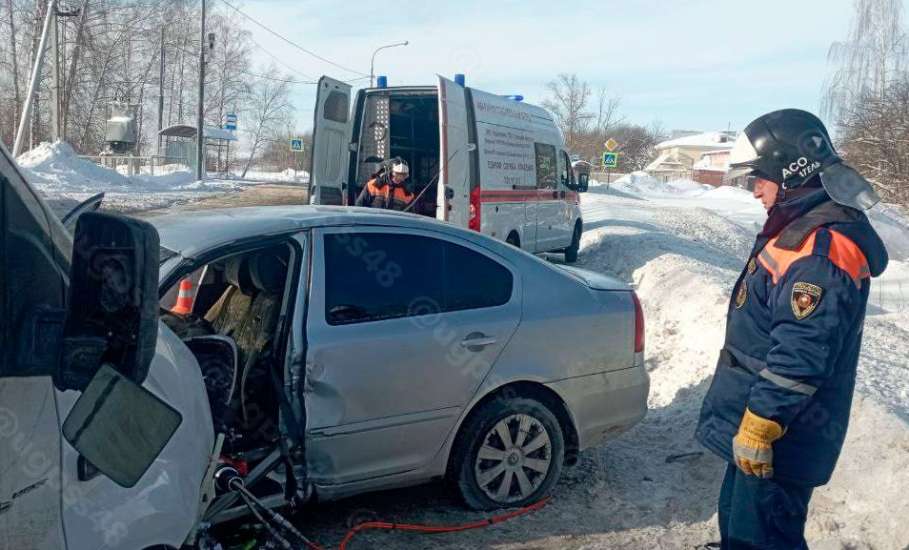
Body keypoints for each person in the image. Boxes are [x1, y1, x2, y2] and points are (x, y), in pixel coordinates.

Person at [695, 109, 889, 549]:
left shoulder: (822, 248)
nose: (754, 190)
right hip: (758, 429)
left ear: (789, 172)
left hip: (780, 437)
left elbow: (802, 351)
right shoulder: (795, 228)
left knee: (764, 539)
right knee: (740, 531)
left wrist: (762, 422)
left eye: (757, 178)